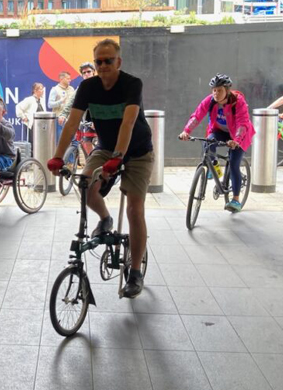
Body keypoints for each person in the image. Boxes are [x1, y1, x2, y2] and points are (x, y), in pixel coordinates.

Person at [47, 39, 154, 299]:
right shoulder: (88, 87)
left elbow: (128, 124)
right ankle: (105, 218)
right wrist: (58, 157)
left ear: (118, 62)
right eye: (99, 61)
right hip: (106, 148)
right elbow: (72, 121)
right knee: (86, 185)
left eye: (109, 60)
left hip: (137, 150)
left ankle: (136, 272)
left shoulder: (131, 84)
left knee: (134, 208)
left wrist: (118, 158)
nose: (103, 65)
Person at [179, 74, 256, 212]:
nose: (216, 93)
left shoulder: (238, 102)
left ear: (227, 90)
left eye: (219, 90)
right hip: (219, 130)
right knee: (208, 143)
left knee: (233, 164)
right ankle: (214, 167)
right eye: (214, 90)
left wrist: (236, 140)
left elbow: (242, 123)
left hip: (239, 135)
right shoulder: (210, 101)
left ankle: (236, 200)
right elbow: (197, 116)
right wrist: (186, 131)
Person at [48, 71, 75, 141]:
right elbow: (50, 104)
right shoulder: (55, 89)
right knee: (60, 141)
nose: (70, 80)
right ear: (61, 79)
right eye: (68, 78)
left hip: (71, 118)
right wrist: (60, 101)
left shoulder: (71, 89)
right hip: (59, 119)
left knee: (73, 141)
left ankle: (69, 152)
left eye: (70, 78)